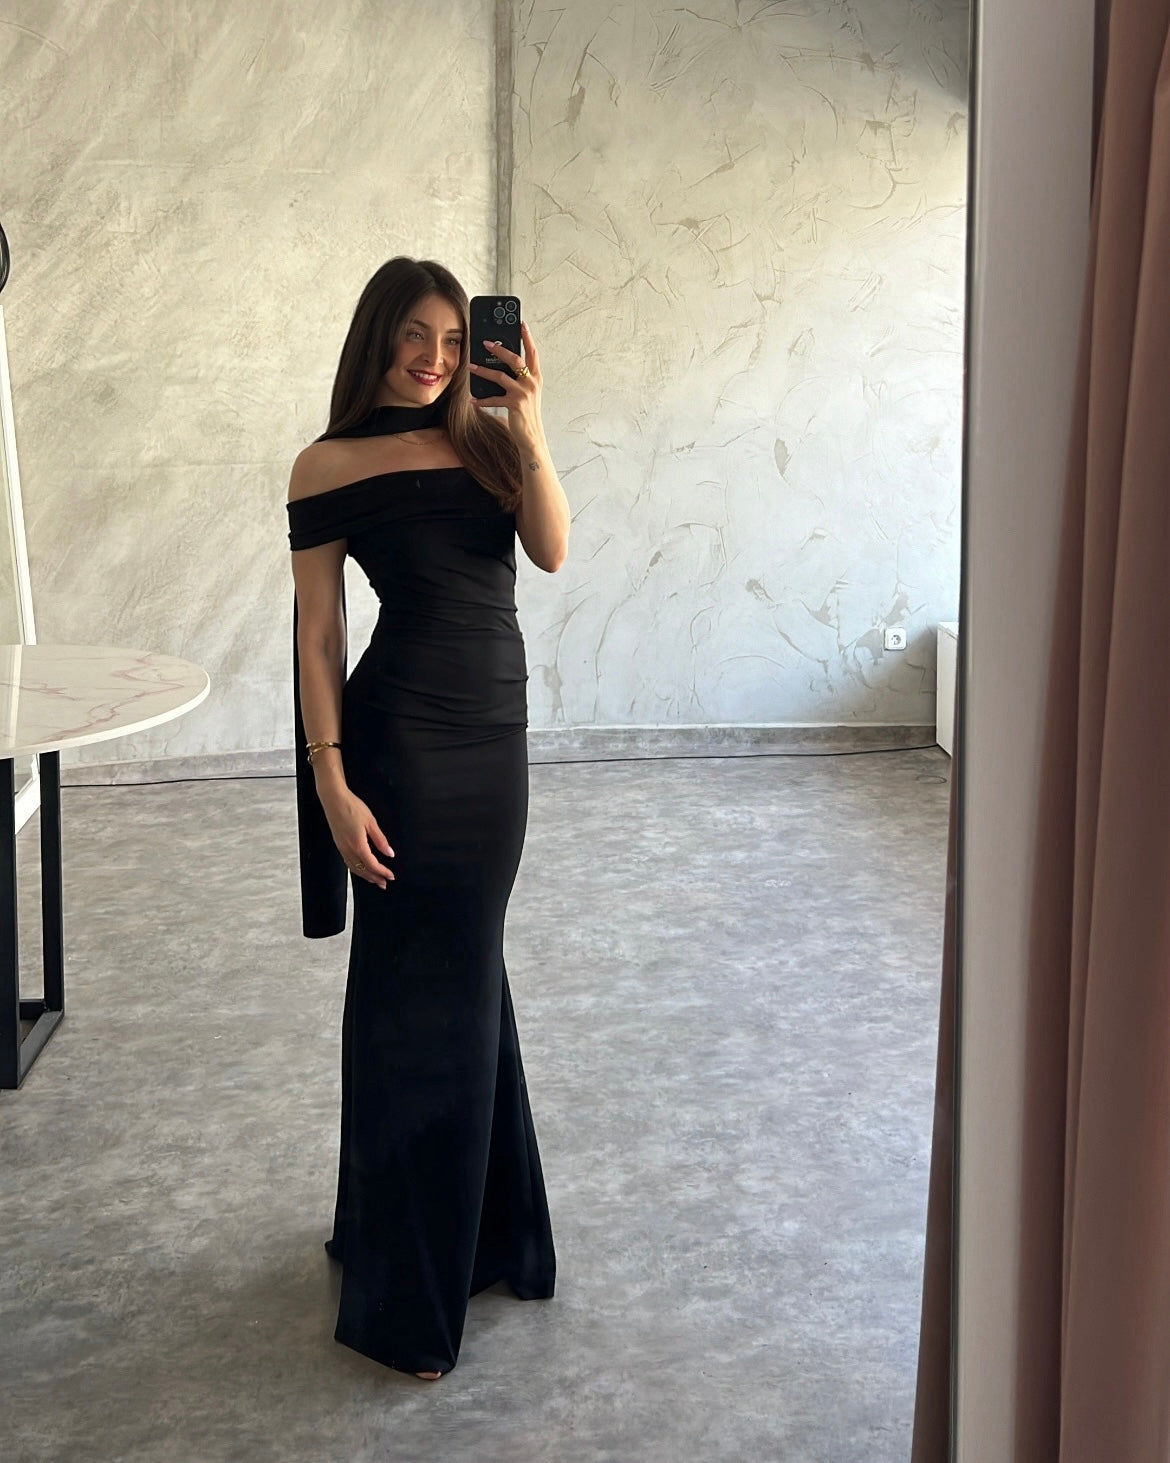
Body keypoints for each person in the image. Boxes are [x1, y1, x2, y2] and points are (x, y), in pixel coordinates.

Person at [286, 257, 568, 1380]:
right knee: (417, 1000)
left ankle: (480, 1235)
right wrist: (332, 782)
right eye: (415, 335)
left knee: (467, 973)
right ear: (378, 337)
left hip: (494, 740)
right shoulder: (327, 464)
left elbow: (551, 547)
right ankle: (408, 1292)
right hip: (398, 742)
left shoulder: (491, 441)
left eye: (454, 340)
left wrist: (529, 421)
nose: (435, 358)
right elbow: (317, 634)